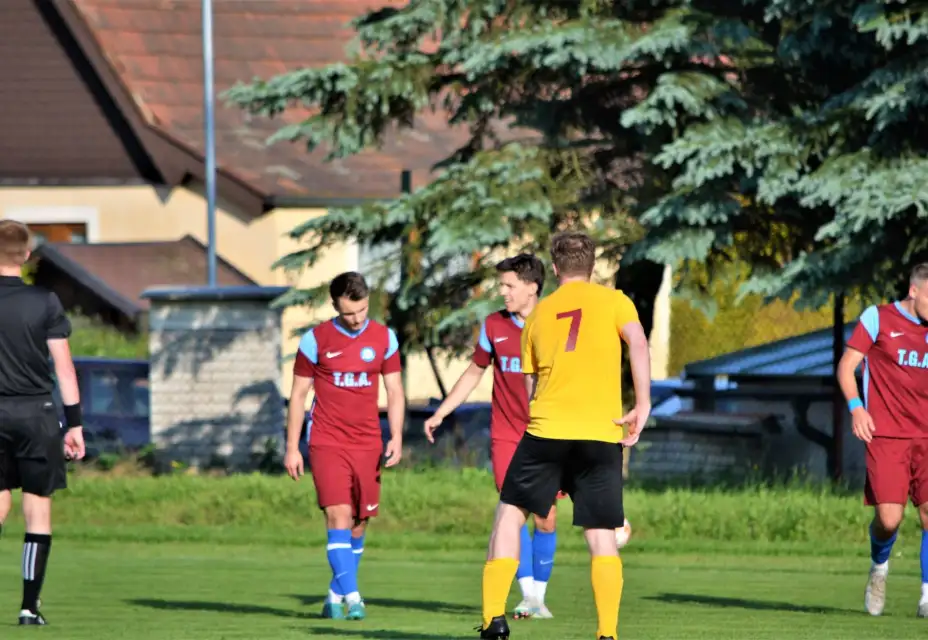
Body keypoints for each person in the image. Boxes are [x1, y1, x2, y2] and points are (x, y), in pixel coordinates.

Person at [477, 231, 651, 640]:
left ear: (554, 270)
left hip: (547, 432)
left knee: (509, 516)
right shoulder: (616, 301)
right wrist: (642, 404)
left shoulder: (539, 313)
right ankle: (607, 633)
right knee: (601, 535)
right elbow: (639, 343)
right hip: (600, 434)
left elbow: (530, 384)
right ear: (592, 267)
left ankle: (493, 621)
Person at [425, 254, 561, 619]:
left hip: (549, 432)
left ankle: (539, 596)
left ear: (532, 287)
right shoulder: (493, 326)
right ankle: (528, 597)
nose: (501, 292)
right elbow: (473, 373)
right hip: (507, 435)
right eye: (500, 285)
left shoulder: (555, 322)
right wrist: (441, 411)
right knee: (511, 511)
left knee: (546, 516)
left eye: (508, 286)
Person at [283, 271, 405, 622]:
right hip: (326, 440)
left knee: (358, 523)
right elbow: (298, 395)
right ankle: (354, 598)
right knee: (338, 514)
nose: (357, 319)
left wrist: (395, 435)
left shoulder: (385, 338)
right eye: (349, 312)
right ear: (334, 305)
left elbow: (394, 390)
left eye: (363, 310)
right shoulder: (315, 340)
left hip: (368, 442)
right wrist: (293, 447)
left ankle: (335, 595)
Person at [0, 220, 86, 626]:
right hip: (36, 414)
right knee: (37, 511)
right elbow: (64, 371)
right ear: (27, 257)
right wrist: (75, 425)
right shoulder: (45, 302)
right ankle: (29, 607)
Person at [836, 263, 928, 618]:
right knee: (888, 520)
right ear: (914, 291)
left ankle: (925, 596)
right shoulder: (878, 318)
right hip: (886, 435)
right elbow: (847, 367)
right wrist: (857, 408)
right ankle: (879, 567)